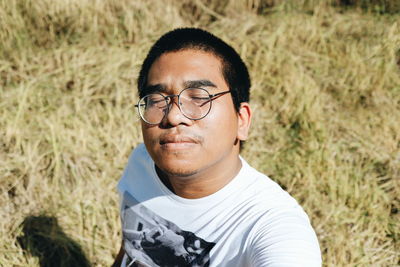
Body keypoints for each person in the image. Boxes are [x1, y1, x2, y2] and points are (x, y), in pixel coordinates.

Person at [113, 28, 321, 267]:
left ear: (241, 120)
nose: (173, 116)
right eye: (157, 100)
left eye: (199, 97)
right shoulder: (142, 162)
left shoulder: (271, 224)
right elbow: (131, 249)